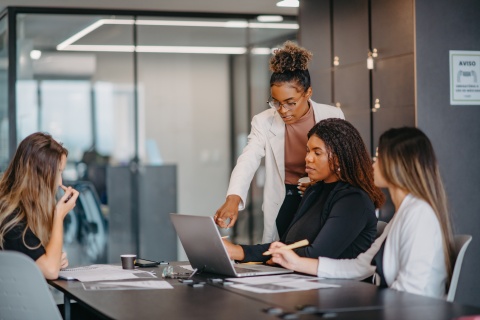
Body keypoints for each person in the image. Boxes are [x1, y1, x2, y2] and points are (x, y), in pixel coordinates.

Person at [269, 127, 455, 299]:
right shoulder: (404, 214)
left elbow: (412, 292)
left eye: (378, 157)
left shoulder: (419, 215)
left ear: (397, 165)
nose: (373, 163)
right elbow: (359, 266)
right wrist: (294, 262)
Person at [215, 41, 344, 242]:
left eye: (290, 103)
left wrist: (320, 181)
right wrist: (234, 198)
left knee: (317, 250)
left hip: (323, 196)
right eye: (276, 103)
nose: (283, 110)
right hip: (286, 197)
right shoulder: (263, 121)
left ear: (308, 92)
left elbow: (344, 161)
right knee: (280, 252)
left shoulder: (332, 116)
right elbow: (248, 160)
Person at [223, 119, 385, 263]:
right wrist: (237, 251)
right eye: (308, 151)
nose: (307, 158)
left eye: (317, 152)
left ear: (338, 158)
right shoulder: (314, 191)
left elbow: (318, 255)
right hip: (301, 282)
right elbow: (287, 244)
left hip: (338, 291)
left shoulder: (353, 200)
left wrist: (280, 256)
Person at [0, 132, 79, 280]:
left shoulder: (18, 209)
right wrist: (59, 215)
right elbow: (50, 271)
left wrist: (53, 259)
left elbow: (45, 263)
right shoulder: (11, 219)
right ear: (39, 176)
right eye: (58, 172)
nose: (60, 182)